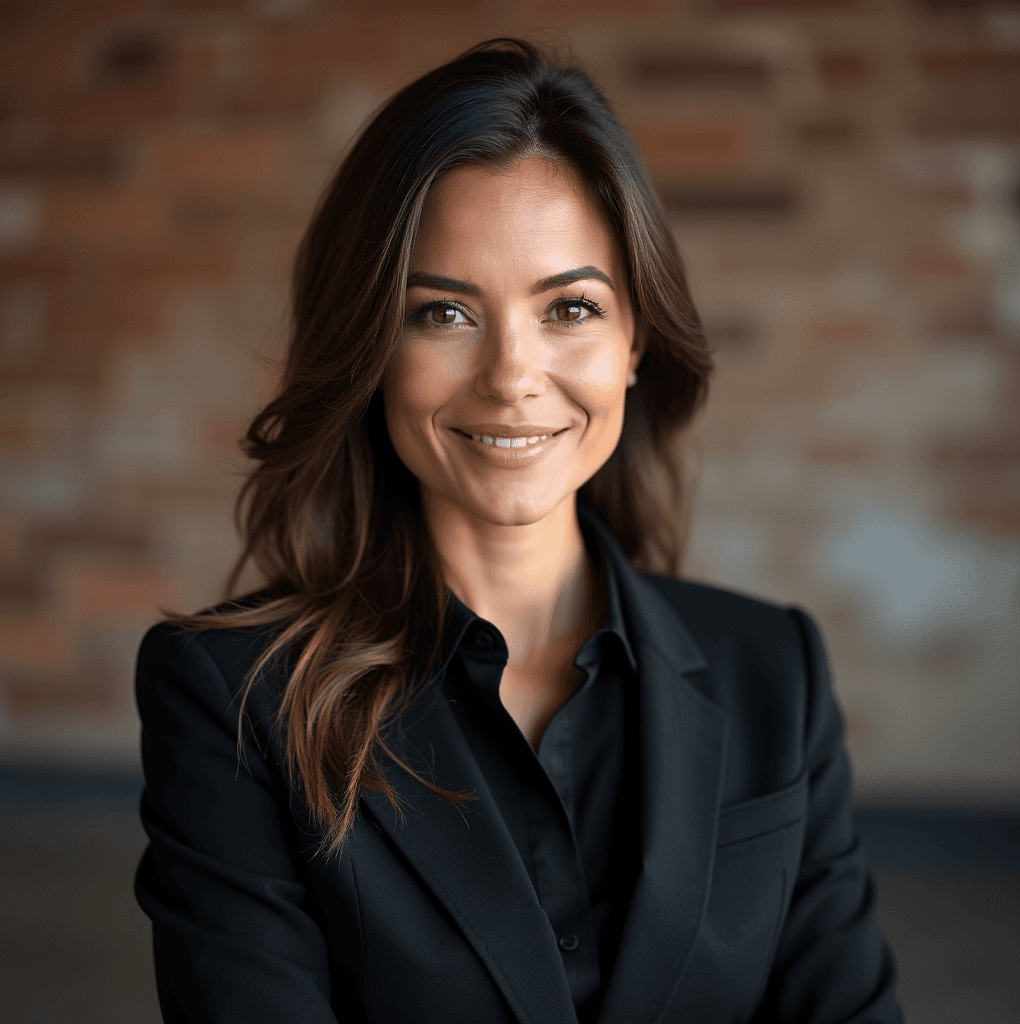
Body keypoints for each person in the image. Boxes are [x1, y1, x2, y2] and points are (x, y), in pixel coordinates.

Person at [133, 38, 903, 1024]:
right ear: (372, 350)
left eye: (569, 308)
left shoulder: (775, 671)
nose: (511, 374)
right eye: (444, 312)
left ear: (634, 343)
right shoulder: (232, 702)